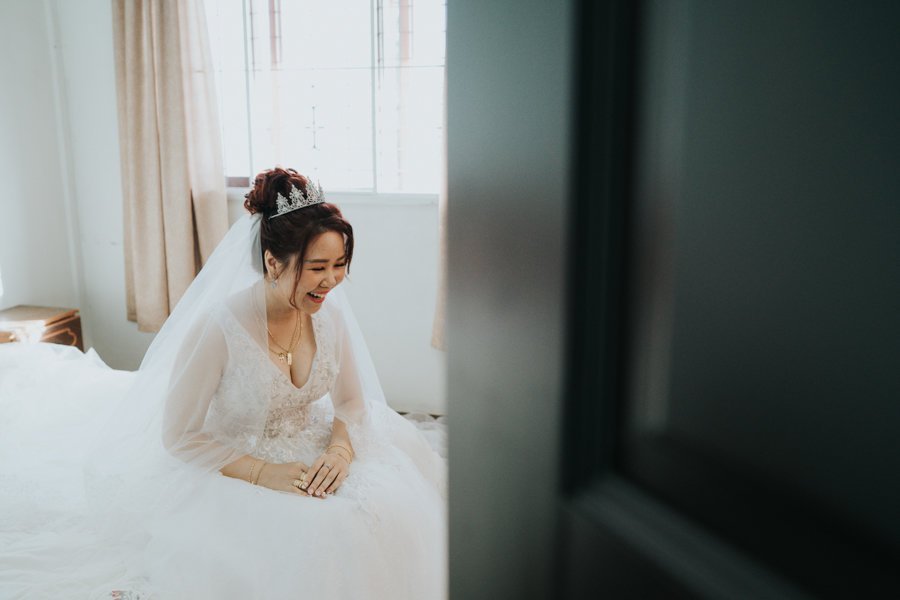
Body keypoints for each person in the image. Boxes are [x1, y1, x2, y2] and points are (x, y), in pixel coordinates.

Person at [0, 168, 447, 599]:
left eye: (340, 265)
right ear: (273, 262)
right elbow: (179, 434)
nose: (331, 281)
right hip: (236, 460)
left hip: (313, 445)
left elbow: (349, 402)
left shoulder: (328, 315)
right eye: (317, 268)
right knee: (326, 533)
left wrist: (340, 452)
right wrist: (264, 472)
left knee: (389, 509)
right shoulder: (218, 328)